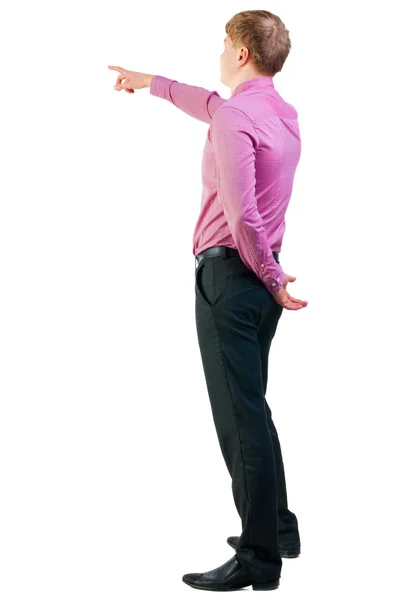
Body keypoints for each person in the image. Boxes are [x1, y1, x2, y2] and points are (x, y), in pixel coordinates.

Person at [109, 8, 308, 593]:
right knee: (254, 410)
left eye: (225, 44)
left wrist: (271, 277)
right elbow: (206, 102)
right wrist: (149, 82)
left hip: (232, 279)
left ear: (242, 53)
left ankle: (258, 559)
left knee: (239, 422)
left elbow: (244, 215)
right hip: (259, 291)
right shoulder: (279, 113)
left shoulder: (234, 117)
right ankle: (278, 527)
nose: (219, 53)